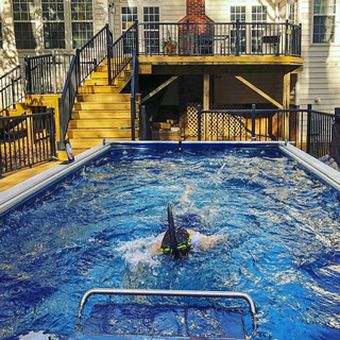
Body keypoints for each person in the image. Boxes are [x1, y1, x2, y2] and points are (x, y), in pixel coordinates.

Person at [150, 203, 224, 258]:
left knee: (187, 208)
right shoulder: (157, 245)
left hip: (190, 223)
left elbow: (220, 238)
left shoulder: (198, 240)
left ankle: (187, 193)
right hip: (168, 229)